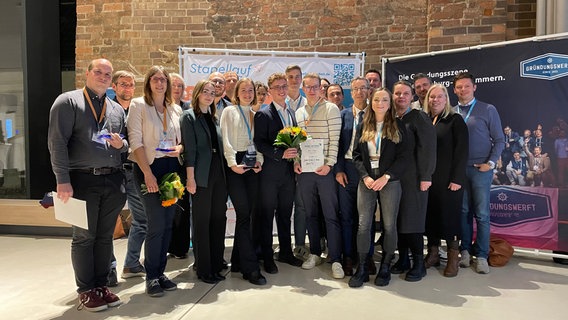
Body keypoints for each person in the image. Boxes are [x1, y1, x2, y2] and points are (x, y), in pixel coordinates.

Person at [48, 58, 127, 311]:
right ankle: (86, 290)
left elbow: (124, 144)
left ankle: (101, 286)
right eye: (98, 72)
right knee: (83, 237)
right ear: (87, 73)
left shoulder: (115, 109)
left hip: (112, 180)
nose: (103, 76)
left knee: (105, 238)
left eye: (108, 73)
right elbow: (57, 143)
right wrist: (62, 181)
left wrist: (121, 145)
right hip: (81, 180)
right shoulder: (68, 101)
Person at [127, 65, 183, 297]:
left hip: (172, 167)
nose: (160, 83)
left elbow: (182, 141)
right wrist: (147, 173)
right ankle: (151, 276)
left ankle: (160, 272)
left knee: (169, 221)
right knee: (155, 223)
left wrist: (179, 148)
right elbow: (135, 141)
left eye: (163, 80)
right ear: (149, 83)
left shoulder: (175, 108)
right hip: (149, 167)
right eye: (155, 79)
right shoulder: (139, 105)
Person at [349, 88, 409, 288]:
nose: (380, 103)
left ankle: (385, 266)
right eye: (377, 99)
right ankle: (363, 267)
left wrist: (387, 176)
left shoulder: (398, 125)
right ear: (371, 102)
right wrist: (365, 176)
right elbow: (356, 155)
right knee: (364, 225)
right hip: (367, 181)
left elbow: (404, 158)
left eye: (385, 99)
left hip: (389, 181)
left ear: (390, 103)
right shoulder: (364, 124)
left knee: (389, 225)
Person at [453, 72, 505, 274]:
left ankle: (481, 255)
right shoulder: (452, 111)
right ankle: (465, 251)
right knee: (463, 212)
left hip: (480, 170)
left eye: (466, 86)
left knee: (482, 214)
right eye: (459, 87)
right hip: (459, 170)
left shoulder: (487, 109)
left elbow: (500, 140)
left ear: (474, 87)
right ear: (454, 90)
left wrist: (490, 163)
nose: (462, 90)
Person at [254, 73, 304, 274]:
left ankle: (285, 252)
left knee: (285, 214)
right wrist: (280, 154)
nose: (282, 90)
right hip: (269, 174)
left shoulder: (291, 113)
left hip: (288, 174)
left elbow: (294, 143)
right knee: (267, 216)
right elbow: (260, 143)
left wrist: (295, 161)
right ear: (270, 91)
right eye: (277, 87)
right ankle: (267, 257)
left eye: (284, 86)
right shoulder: (264, 114)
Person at [294, 73, 343, 279]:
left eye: (316, 87)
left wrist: (330, 164)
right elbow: (296, 141)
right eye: (308, 87)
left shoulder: (331, 109)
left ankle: (336, 258)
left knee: (331, 215)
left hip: (324, 171)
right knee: (311, 214)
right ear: (303, 88)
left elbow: (335, 140)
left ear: (321, 89)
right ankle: (314, 252)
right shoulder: (298, 112)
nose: (312, 90)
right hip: (305, 171)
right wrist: (296, 161)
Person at [219, 78, 267, 285]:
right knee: (244, 214)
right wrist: (232, 163)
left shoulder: (256, 115)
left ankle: (238, 261)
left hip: (252, 164)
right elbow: (226, 139)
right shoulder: (229, 111)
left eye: (251, 90)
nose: (248, 93)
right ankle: (251, 268)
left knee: (248, 215)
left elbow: (258, 142)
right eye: (244, 90)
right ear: (236, 93)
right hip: (236, 166)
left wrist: (260, 161)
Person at [180, 79, 228, 284]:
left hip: (219, 173)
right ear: (197, 93)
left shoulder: (215, 118)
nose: (209, 95)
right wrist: (190, 178)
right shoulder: (188, 117)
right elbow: (190, 150)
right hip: (200, 175)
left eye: (212, 92)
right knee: (202, 222)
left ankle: (217, 263)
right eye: (205, 91)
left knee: (219, 219)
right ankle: (204, 268)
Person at [391, 81, 436, 282]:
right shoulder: (391, 118)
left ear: (412, 97)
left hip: (415, 178)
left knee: (413, 221)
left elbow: (428, 149)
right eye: (397, 93)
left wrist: (426, 176)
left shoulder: (419, 117)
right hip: (394, 178)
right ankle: (403, 260)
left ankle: (419, 263)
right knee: (399, 220)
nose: (401, 97)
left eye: (405, 93)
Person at [422, 84, 469, 277]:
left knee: (449, 220)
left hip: (449, 180)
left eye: (439, 96)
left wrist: (457, 178)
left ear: (446, 99)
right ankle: (433, 253)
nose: (435, 100)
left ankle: (452, 258)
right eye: (432, 97)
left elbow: (462, 151)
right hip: (428, 180)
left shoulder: (455, 120)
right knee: (431, 218)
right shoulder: (425, 120)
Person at [111, 70, 147, 281]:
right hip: (113, 172)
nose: (127, 88)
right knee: (108, 224)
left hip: (133, 171)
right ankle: (109, 270)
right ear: (114, 87)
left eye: (131, 85)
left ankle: (131, 264)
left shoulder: (137, 109)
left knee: (142, 220)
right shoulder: (108, 109)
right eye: (123, 84)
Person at [335, 77, 370, 276]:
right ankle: (348, 256)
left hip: (367, 171)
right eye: (355, 89)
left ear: (368, 91)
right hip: (346, 169)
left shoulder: (375, 115)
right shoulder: (343, 115)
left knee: (365, 218)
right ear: (351, 92)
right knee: (347, 216)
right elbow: (338, 145)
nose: (359, 92)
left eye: (363, 88)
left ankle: (366, 256)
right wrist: (338, 169)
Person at [168, 72, 192, 260]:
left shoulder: (188, 109)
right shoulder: (159, 107)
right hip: (164, 164)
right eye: (174, 85)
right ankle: (165, 246)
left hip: (183, 165)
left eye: (180, 86)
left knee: (182, 208)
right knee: (166, 207)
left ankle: (180, 248)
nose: (177, 89)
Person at [285, 65, 308, 258]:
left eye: (297, 77)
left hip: (305, 163)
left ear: (301, 79)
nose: (293, 80)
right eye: (290, 77)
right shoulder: (277, 104)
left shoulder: (309, 104)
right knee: (283, 206)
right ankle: (284, 245)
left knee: (301, 205)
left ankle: (300, 244)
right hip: (282, 165)